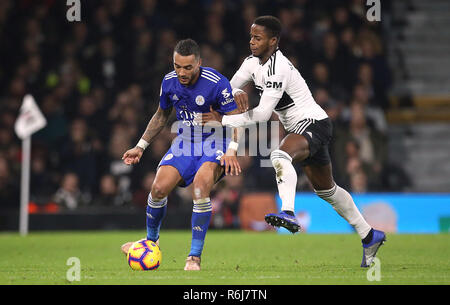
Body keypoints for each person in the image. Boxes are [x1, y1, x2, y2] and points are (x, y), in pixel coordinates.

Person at [200, 16, 385, 267]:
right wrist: (236, 93)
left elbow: (264, 114)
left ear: (273, 41)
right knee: (327, 190)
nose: (252, 42)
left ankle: (288, 212)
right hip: (301, 127)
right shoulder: (250, 63)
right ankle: (370, 235)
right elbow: (229, 87)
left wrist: (222, 119)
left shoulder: (280, 68)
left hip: (313, 123)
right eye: (251, 37)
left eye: (258, 38)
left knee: (279, 156)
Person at [120, 39, 242, 271]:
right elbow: (161, 115)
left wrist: (231, 149)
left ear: (199, 63)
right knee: (158, 188)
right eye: (177, 66)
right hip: (186, 142)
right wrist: (140, 146)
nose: (181, 72)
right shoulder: (168, 82)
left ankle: (194, 257)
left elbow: (238, 119)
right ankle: (150, 244)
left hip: (215, 141)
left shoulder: (216, 83)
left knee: (200, 187)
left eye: (187, 67)